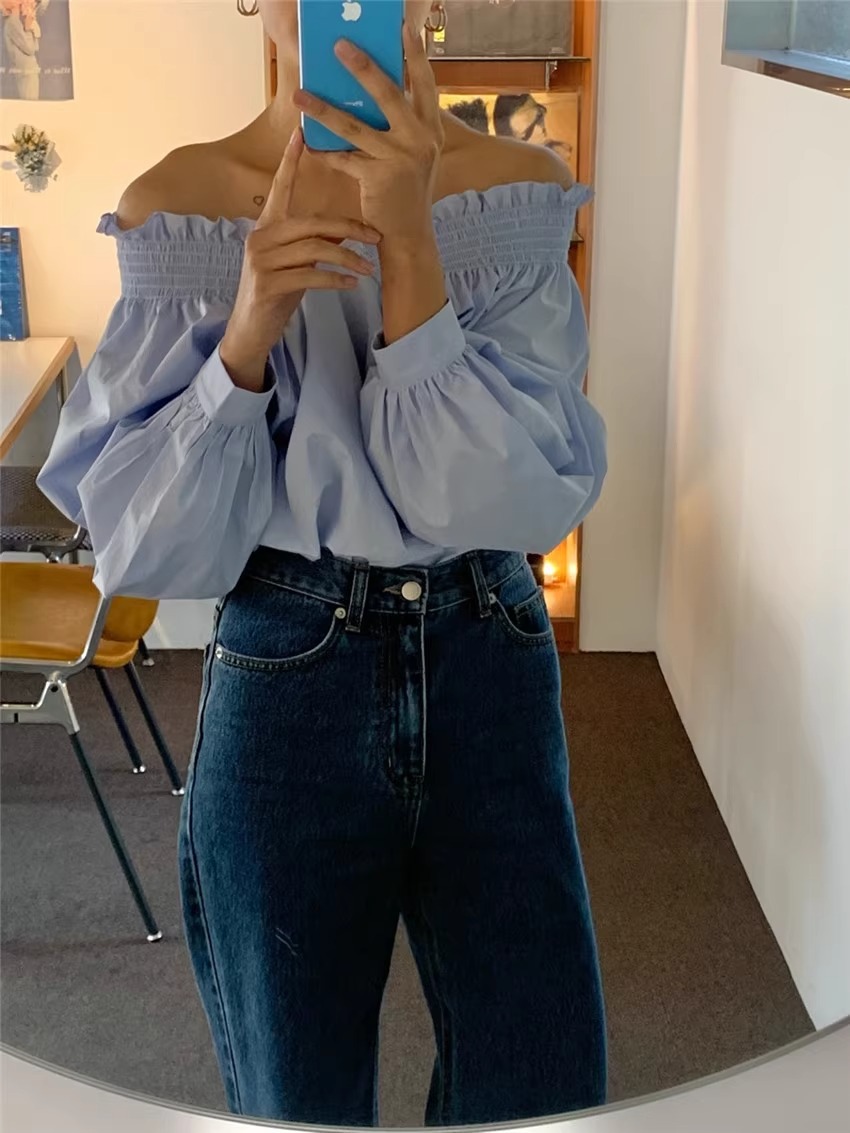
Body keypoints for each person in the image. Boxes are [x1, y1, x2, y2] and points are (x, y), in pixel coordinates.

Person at [38, 0, 608, 1124]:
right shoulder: (180, 206)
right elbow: (148, 545)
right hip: (284, 660)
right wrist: (247, 326)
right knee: (293, 1092)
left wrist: (411, 251)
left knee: (538, 1080)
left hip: (485, 650)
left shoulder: (516, 192)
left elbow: (508, 504)